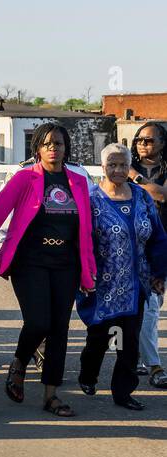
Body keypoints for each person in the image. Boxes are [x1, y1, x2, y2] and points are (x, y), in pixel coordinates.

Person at [0, 123, 95, 418]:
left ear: (66, 147)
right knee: (39, 321)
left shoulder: (79, 182)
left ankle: (51, 395)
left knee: (59, 328)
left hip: (66, 261)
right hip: (30, 260)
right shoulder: (24, 178)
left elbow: (87, 229)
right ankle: (19, 362)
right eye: (47, 143)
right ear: (38, 149)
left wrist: (89, 270)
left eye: (58, 143)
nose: (53, 148)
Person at [77, 143, 167, 409]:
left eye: (122, 165)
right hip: (101, 284)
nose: (117, 170)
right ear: (103, 167)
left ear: (129, 167)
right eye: (112, 164)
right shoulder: (91, 199)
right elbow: (81, 241)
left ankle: (123, 392)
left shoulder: (142, 197)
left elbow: (158, 237)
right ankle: (88, 374)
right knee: (98, 338)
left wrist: (159, 273)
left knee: (129, 342)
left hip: (136, 283)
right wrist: (84, 276)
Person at [129, 122, 167, 387]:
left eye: (150, 140)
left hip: (162, 248)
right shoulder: (124, 168)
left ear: (163, 144)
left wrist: (136, 178)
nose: (143, 144)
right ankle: (153, 365)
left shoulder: (130, 173)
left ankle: (142, 359)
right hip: (134, 248)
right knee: (147, 309)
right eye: (140, 140)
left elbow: (163, 196)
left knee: (152, 308)